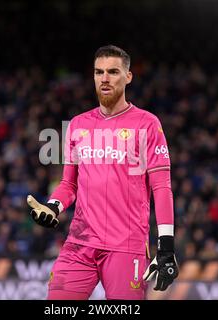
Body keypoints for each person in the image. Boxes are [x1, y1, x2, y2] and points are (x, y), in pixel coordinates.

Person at [27, 45, 178, 300]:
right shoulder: (78, 125)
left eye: (112, 72)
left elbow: (161, 188)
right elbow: (69, 185)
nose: (104, 78)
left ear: (128, 76)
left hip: (126, 247)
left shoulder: (147, 124)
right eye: (99, 72)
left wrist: (166, 247)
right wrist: (53, 206)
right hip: (80, 242)